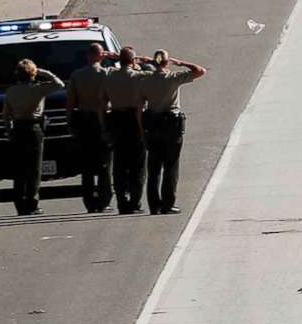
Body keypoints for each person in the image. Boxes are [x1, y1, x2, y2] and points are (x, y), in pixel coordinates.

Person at [138, 51, 207, 214]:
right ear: (167, 62)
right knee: (171, 165)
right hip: (170, 125)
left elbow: (140, 105)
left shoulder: (145, 79)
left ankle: (154, 205)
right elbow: (200, 71)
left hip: (153, 125)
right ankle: (168, 203)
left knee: (154, 167)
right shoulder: (172, 78)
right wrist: (181, 63)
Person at [0, 58, 63, 217]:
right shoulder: (38, 90)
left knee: (19, 169)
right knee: (34, 168)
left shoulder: (11, 91)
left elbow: (6, 115)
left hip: (18, 128)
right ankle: (32, 203)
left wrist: (9, 131)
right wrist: (42, 72)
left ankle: (20, 203)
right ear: (33, 73)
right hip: (33, 128)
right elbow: (59, 84)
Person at [67, 45, 121, 212]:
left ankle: (89, 202)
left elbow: (70, 102)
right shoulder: (107, 73)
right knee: (104, 163)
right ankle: (104, 199)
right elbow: (131, 64)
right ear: (100, 55)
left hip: (84, 119)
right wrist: (115, 56)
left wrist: (70, 121)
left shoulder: (76, 75)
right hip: (103, 119)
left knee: (87, 165)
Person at [107, 47, 149, 214]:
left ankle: (121, 201)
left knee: (119, 163)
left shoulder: (110, 76)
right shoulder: (139, 76)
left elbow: (103, 100)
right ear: (133, 61)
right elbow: (156, 72)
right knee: (137, 164)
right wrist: (144, 62)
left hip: (117, 118)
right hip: (134, 118)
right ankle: (135, 201)